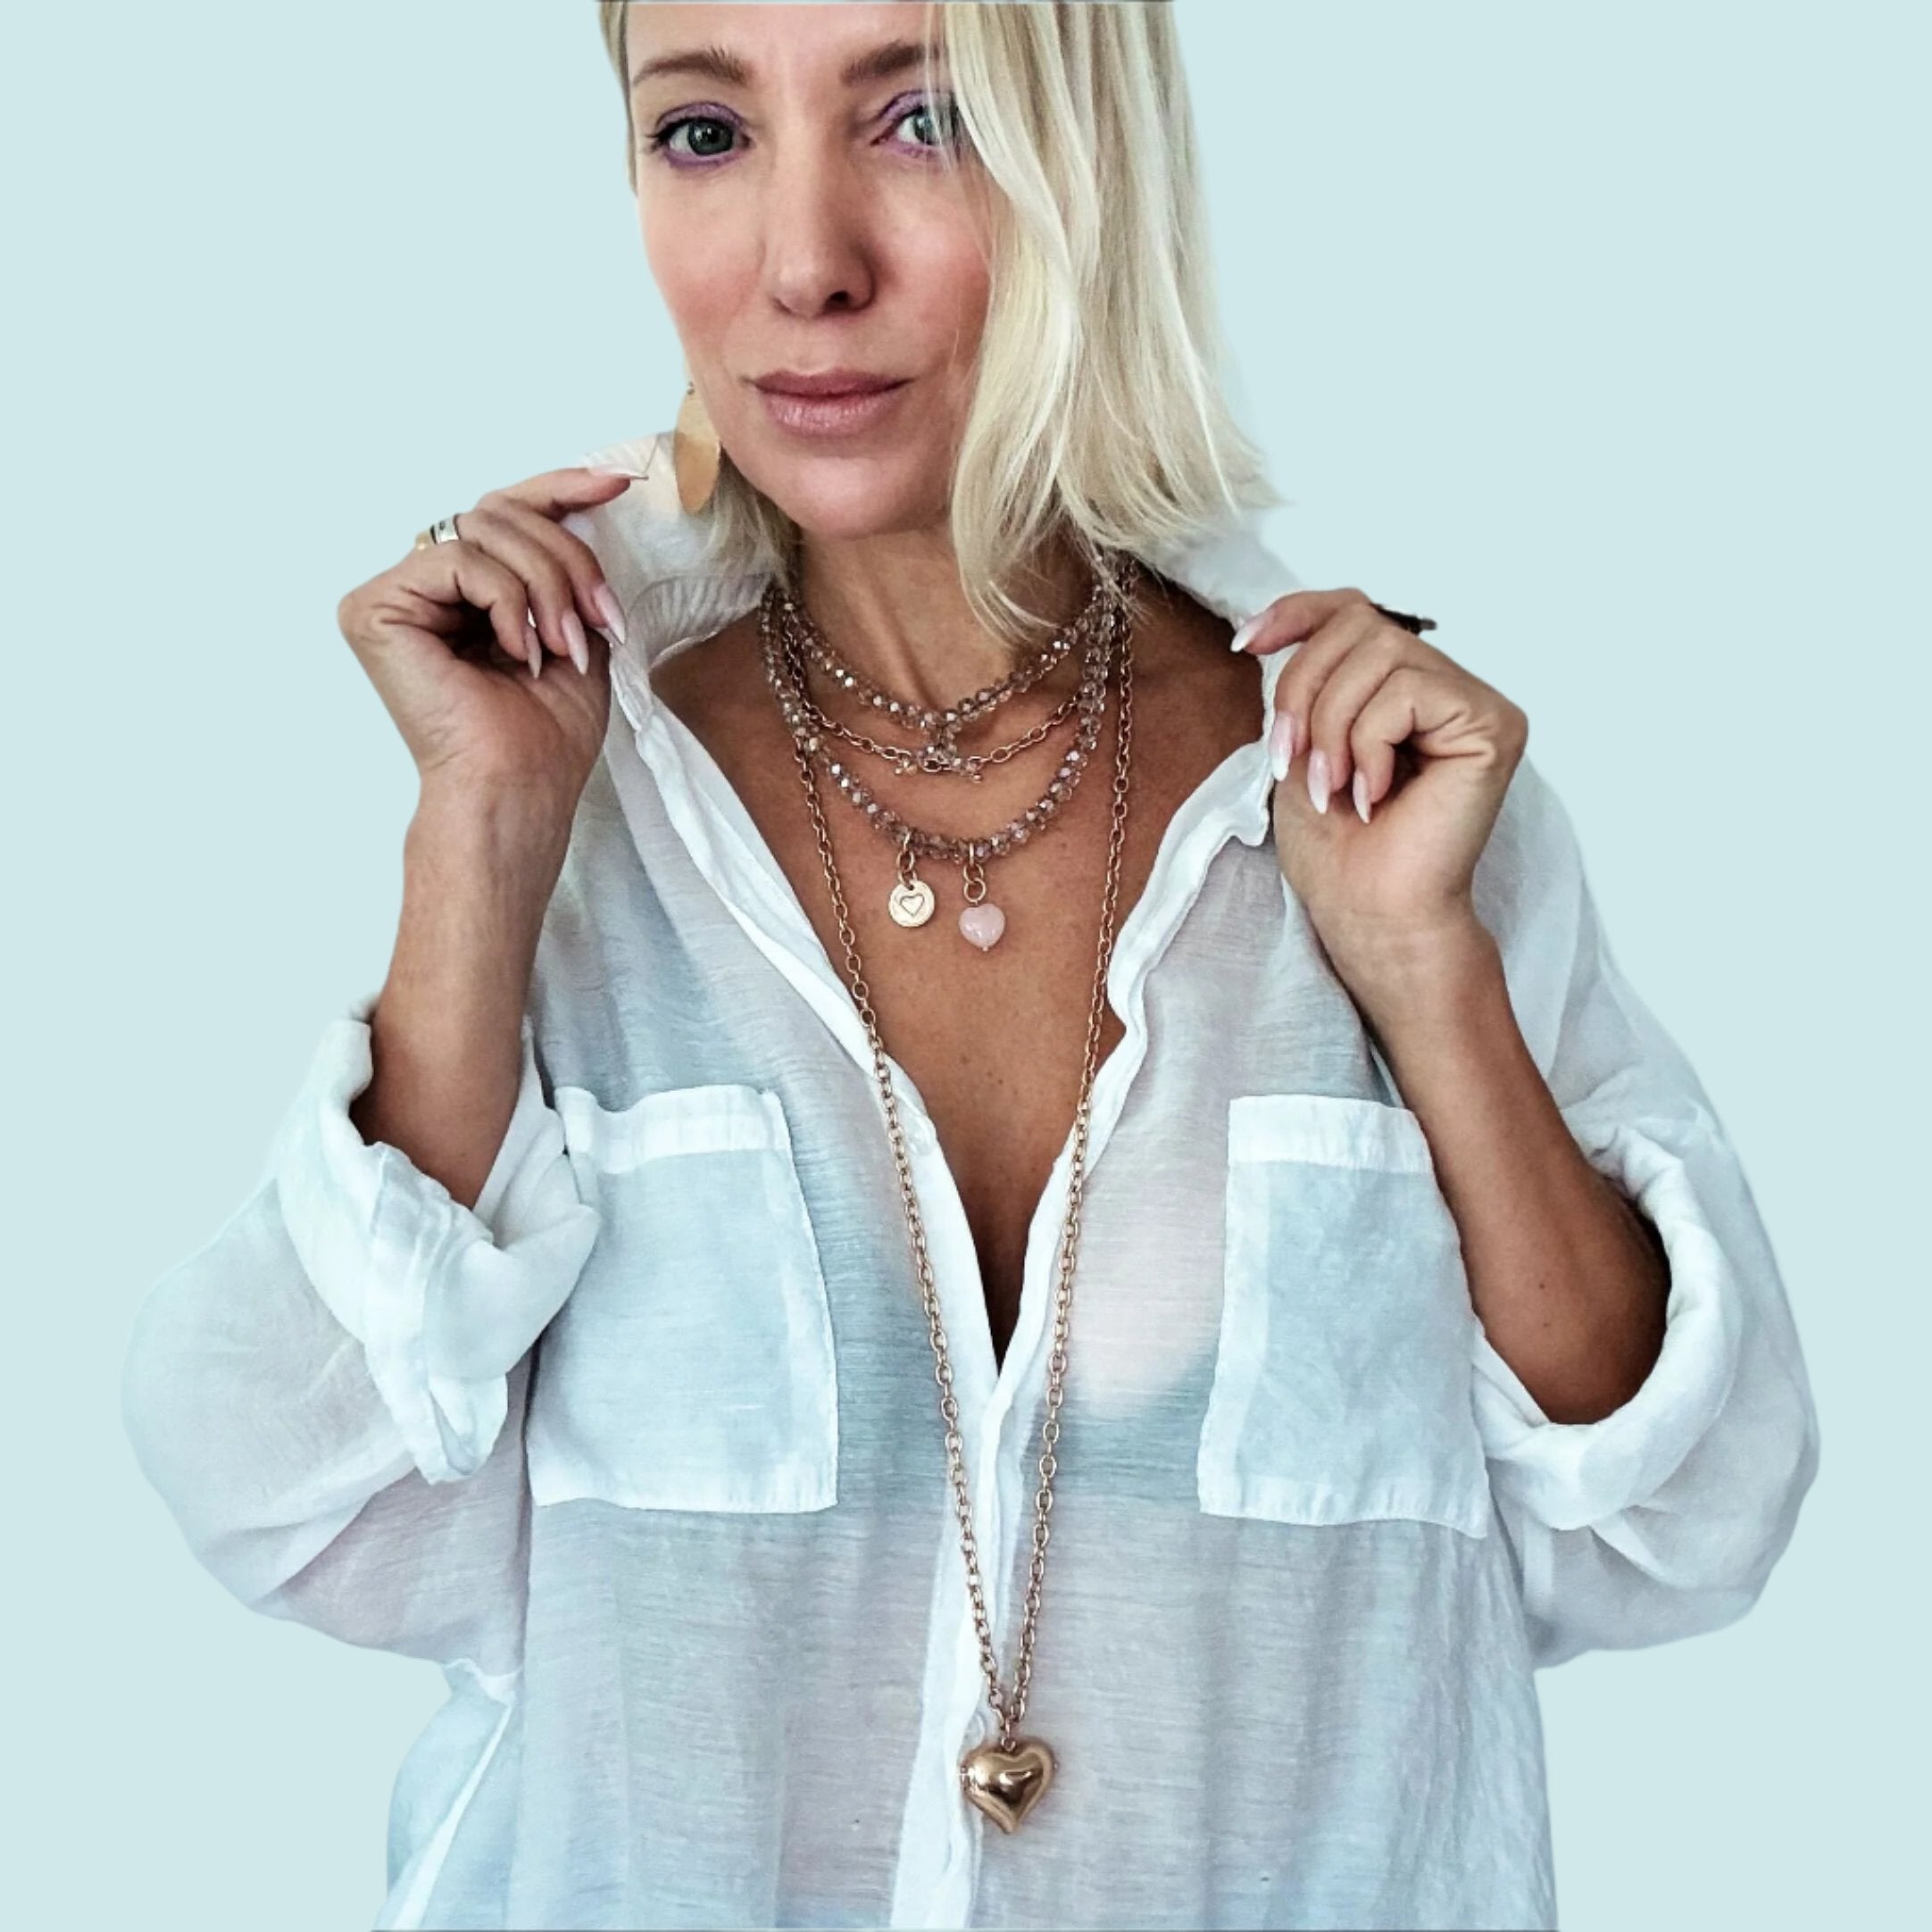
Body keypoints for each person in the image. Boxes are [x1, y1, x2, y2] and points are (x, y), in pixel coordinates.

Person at [119, 5, 1820, 1928]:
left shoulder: (1372, 782)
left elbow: (1682, 1526)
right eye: (702, 134)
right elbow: (290, 1507)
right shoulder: (582, 809)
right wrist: (481, 846)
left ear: (1086, 155)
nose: (802, 263)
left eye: (920, 120)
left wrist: (1424, 971)